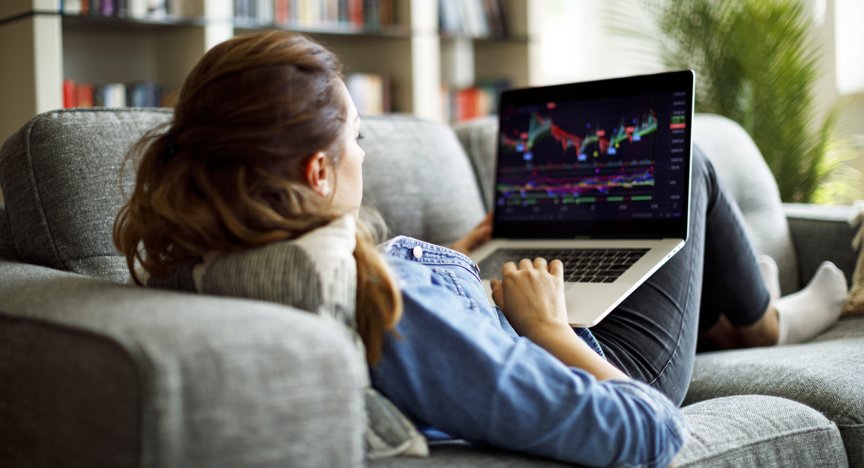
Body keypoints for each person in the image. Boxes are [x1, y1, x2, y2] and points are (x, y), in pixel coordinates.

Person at [113, 31, 848, 468]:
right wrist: (548, 328)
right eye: (357, 142)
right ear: (316, 172)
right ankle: (762, 324)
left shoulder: (202, 261)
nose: (362, 156)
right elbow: (646, 429)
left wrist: (455, 266)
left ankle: (724, 317)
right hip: (597, 355)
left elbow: (419, 315)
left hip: (508, 305)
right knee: (688, 165)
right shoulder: (390, 313)